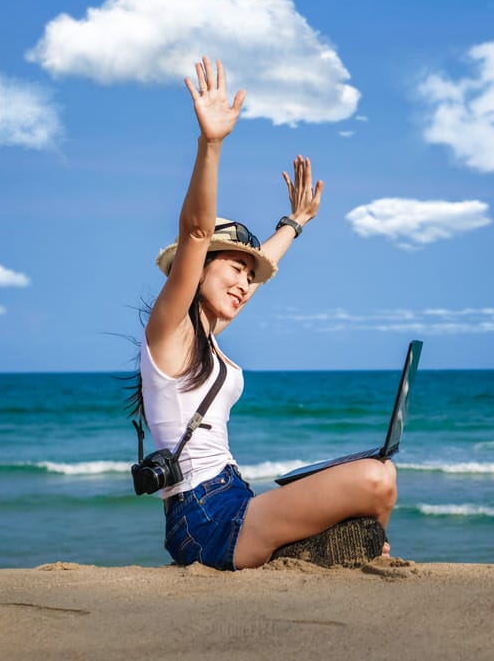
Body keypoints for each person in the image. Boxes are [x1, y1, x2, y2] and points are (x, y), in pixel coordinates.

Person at [136, 56, 396, 570]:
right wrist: (210, 145)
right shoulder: (169, 334)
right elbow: (194, 231)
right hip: (203, 517)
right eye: (231, 268)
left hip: (236, 495)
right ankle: (350, 554)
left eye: (246, 275)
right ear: (197, 269)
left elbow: (264, 266)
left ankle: (344, 551)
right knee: (375, 479)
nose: (242, 282)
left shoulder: (210, 339)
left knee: (380, 478)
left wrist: (295, 222)